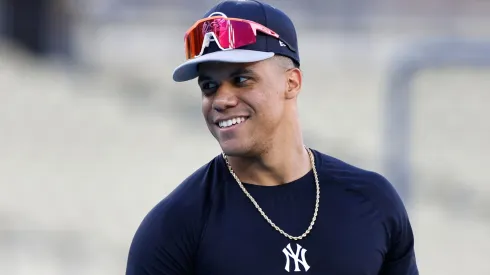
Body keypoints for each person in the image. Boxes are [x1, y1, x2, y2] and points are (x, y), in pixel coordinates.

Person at [125, 0, 419, 274]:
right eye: (209, 86)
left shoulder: (372, 201)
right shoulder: (174, 228)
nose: (221, 99)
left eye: (241, 79)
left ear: (292, 83)